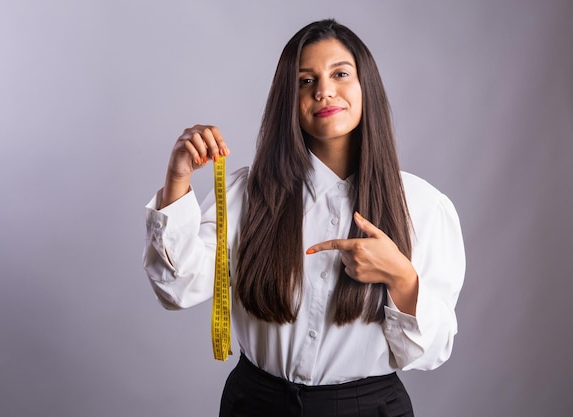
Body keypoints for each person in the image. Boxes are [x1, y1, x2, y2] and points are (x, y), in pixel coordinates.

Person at [143, 18, 465, 417]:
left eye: (340, 74)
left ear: (367, 87)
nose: (324, 90)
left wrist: (401, 277)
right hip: (255, 405)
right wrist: (177, 178)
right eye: (305, 80)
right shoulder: (248, 193)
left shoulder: (422, 206)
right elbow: (177, 289)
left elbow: (432, 353)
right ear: (287, 100)